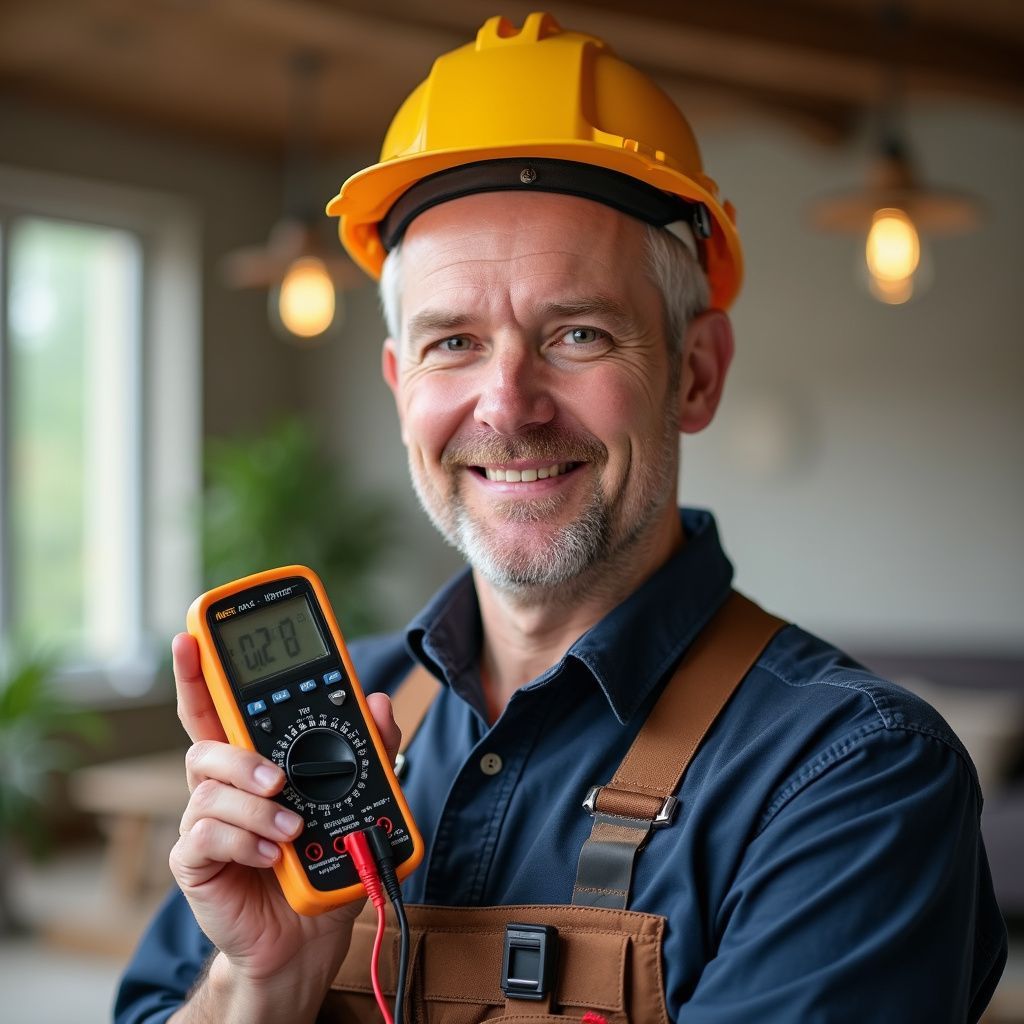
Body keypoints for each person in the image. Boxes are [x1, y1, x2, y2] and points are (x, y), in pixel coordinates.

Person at [116, 12, 1007, 1023]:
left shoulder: (853, 777)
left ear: (696, 373)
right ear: (401, 387)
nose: (507, 404)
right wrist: (258, 984)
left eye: (577, 333)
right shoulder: (310, 743)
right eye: (453, 343)